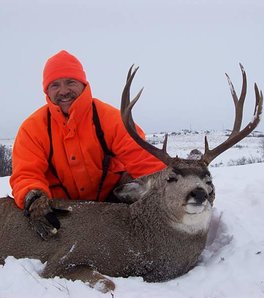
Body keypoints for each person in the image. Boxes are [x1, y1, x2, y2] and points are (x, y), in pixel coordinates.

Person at [10, 50, 166, 239]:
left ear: (83, 84)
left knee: (149, 193)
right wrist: (33, 198)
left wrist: (168, 184)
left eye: (70, 82)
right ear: (46, 90)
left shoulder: (110, 119)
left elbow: (144, 161)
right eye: (55, 85)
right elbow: (26, 173)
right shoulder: (33, 128)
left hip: (112, 201)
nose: (64, 91)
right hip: (61, 209)